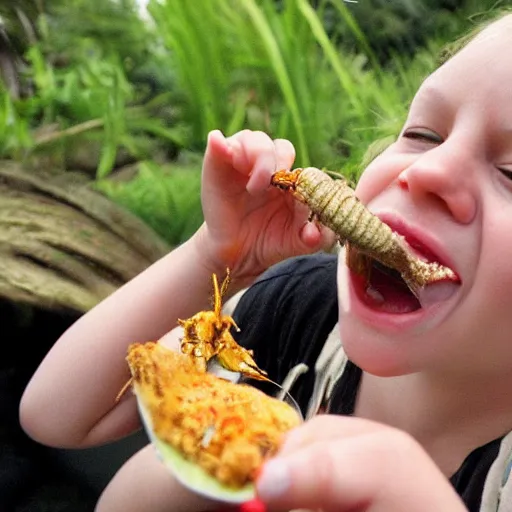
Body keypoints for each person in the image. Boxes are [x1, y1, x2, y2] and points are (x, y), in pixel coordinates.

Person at [18, 10, 512, 512]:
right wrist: (213, 255)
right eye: (424, 134)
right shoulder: (298, 309)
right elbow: (58, 415)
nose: (430, 168)